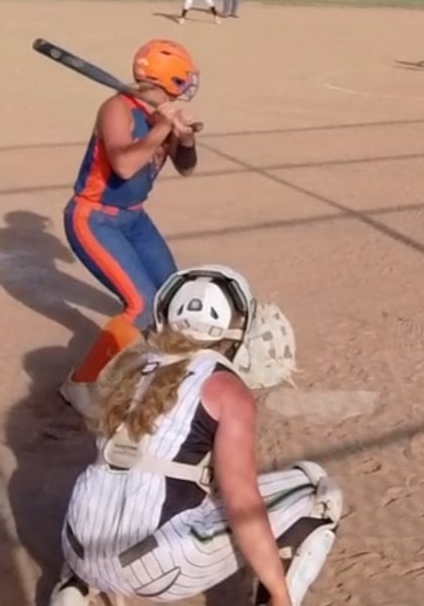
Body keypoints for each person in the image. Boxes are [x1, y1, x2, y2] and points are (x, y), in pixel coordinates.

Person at [51, 265, 344, 606]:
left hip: (77, 545)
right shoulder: (225, 387)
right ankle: (278, 600)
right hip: (157, 566)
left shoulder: (129, 366)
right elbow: (242, 503)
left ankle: (78, 588)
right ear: (236, 328)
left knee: (126, 479)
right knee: (317, 490)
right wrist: (278, 588)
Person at [61, 39, 203, 420]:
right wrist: (161, 128)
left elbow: (187, 167)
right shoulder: (117, 108)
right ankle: (80, 385)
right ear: (170, 78)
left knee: (170, 296)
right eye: (184, 77)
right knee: (141, 304)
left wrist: (184, 137)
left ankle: (155, 370)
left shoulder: (160, 114)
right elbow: (124, 166)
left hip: (134, 218)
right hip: (94, 218)